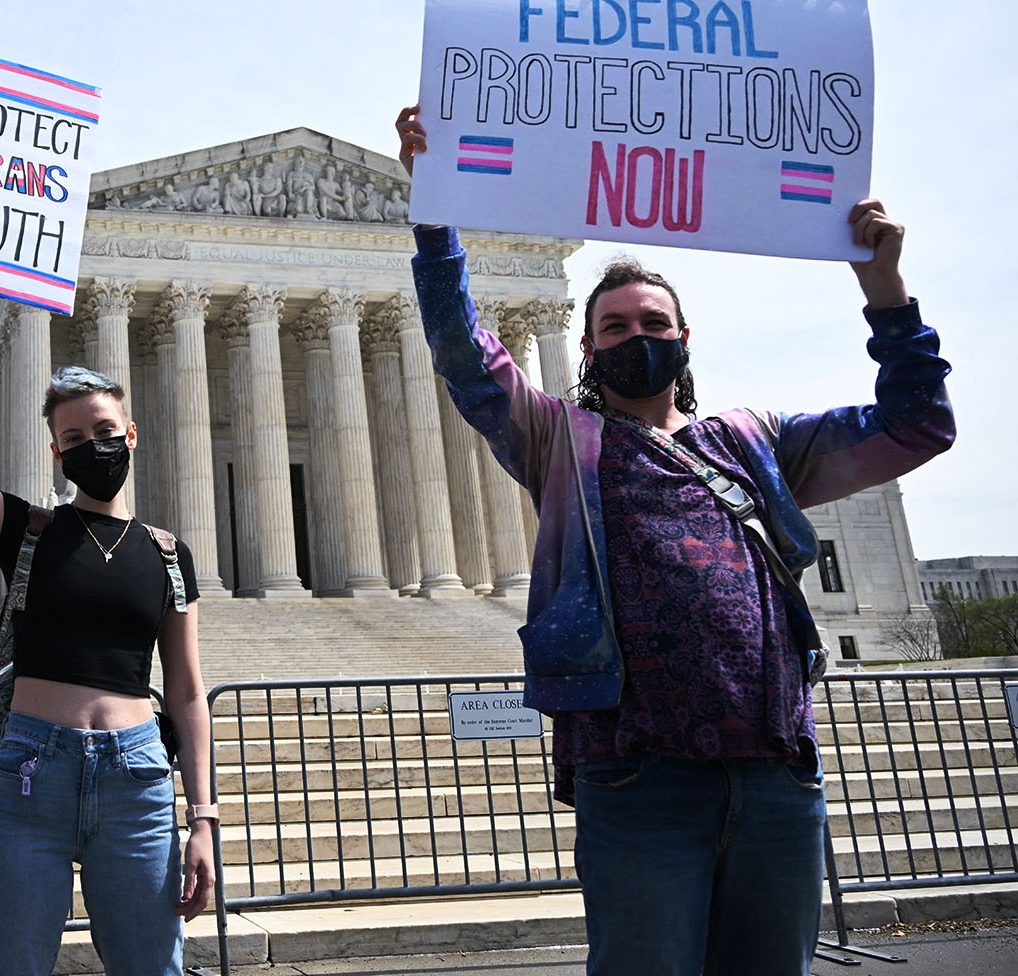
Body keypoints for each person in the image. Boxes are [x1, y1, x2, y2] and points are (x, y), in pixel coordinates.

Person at [396, 105, 954, 976]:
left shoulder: (752, 440)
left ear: (684, 339)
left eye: (654, 325)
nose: (637, 339)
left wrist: (883, 286)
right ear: (587, 347)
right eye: (616, 328)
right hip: (638, 778)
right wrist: (435, 215)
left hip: (774, 769)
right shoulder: (561, 444)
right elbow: (468, 358)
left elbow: (918, 426)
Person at [0, 281, 217, 976]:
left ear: (130, 436)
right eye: (74, 439)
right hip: (32, 772)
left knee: (153, 969)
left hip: (137, 780)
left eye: (104, 433)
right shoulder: (27, 530)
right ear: (56, 453)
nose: (92, 446)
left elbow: (187, 693)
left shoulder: (167, 553)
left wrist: (204, 818)